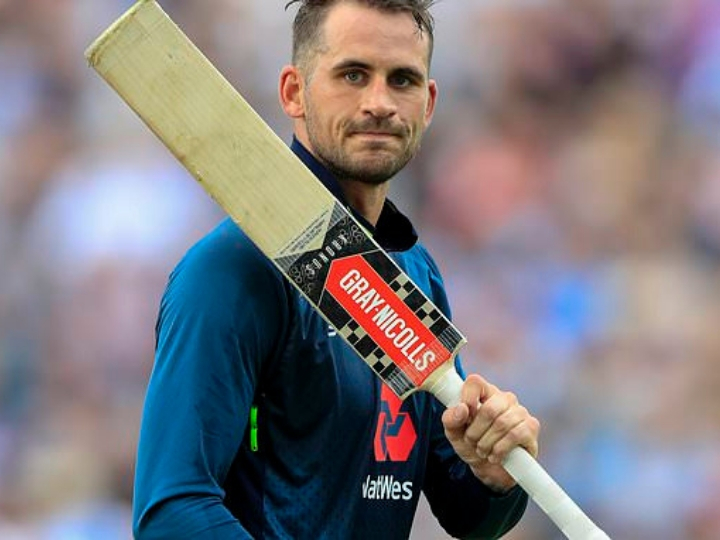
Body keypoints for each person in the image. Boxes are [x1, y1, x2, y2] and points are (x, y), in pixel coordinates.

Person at [132, 1, 540, 538]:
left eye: (402, 80)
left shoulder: (415, 271)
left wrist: (494, 477)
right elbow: (171, 512)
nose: (379, 103)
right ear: (293, 92)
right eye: (353, 75)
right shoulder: (233, 269)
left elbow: (464, 511)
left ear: (428, 104)